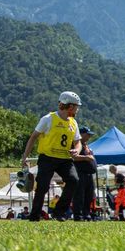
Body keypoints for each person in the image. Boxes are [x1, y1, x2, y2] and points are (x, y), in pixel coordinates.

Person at [20, 91, 83, 222]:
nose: (77, 109)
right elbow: (33, 137)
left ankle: (59, 212)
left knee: (73, 180)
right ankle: (35, 216)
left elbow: (78, 142)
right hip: (47, 158)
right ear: (70, 106)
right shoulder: (48, 119)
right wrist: (25, 156)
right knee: (42, 186)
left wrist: (77, 150)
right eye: (77, 106)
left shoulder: (73, 123)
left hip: (65, 159)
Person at [72, 125, 98, 220]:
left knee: (89, 196)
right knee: (79, 196)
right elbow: (73, 157)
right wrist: (86, 158)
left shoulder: (87, 146)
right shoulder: (75, 145)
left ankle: (86, 214)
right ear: (81, 134)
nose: (89, 137)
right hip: (80, 173)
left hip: (89, 175)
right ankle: (78, 215)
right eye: (87, 134)